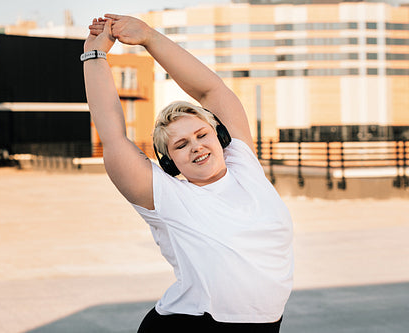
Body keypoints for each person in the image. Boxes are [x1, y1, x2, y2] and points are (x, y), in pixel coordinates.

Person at [83, 15, 294, 332]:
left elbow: (211, 90)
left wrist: (150, 37)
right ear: (170, 162)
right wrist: (94, 55)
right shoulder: (169, 197)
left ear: (219, 137)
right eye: (181, 145)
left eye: (201, 134)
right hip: (195, 325)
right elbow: (112, 135)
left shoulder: (244, 163)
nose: (196, 146)